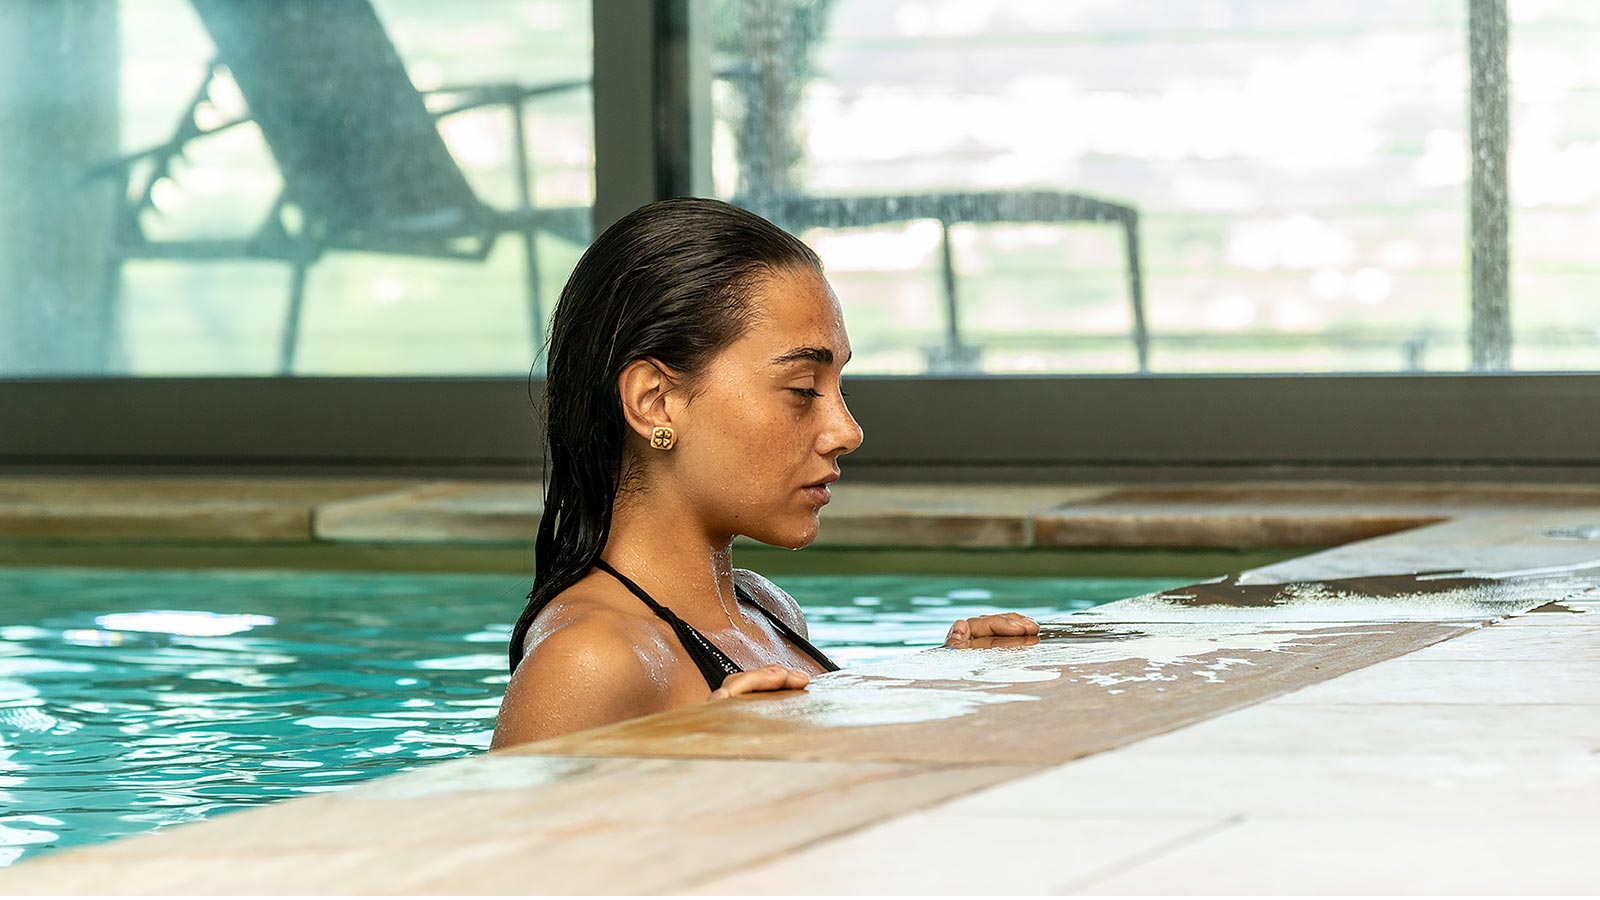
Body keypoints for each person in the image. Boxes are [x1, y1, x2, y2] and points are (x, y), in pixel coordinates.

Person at [491, 198, 1038, 749]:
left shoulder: (765, 612)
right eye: (803, 389)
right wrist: (703, 773)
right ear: (655, 402)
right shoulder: (590, 659)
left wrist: (955, 681)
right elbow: (493, 837)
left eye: (839, 386)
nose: (847, 431)